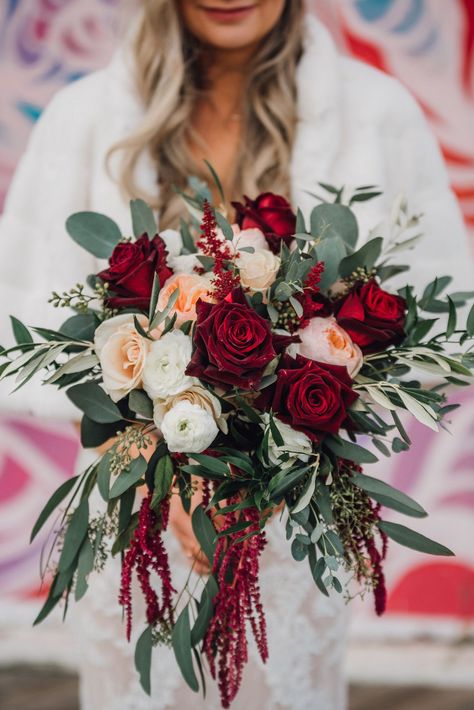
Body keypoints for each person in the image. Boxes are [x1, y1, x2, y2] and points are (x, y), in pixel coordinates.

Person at [0, 1, 472, 708]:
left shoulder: (376, 116)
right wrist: (164, 478)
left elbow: (419, 321)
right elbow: (46, 331)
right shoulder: (84, 119)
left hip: (294, 516)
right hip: (136, 508)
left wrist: (264, 479)